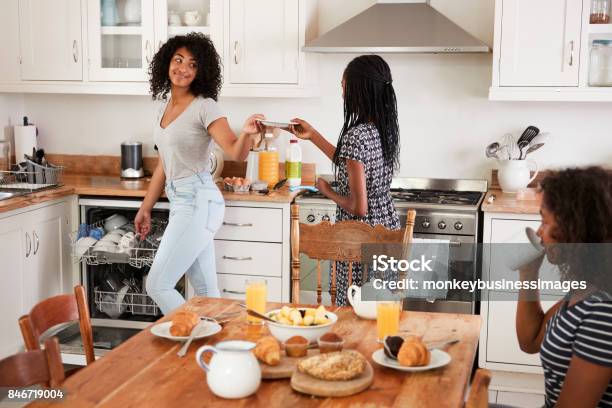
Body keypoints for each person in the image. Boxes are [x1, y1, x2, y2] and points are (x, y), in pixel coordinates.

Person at [135, 33, 264, 314]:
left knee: (158, 285)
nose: (183, 69)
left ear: (201, 70)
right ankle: (217, 350)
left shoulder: (205, 106)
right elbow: (163, 164)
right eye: (178, 60)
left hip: (197, 202)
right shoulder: (164, 107)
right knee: (207, 294)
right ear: (166, 63)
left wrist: (246, 134)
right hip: (183, 200)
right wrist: (146, 207)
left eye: (192, 64)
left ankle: (194, 338)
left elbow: (235, 151)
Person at [288, 55, 401, 306]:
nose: (342, 94)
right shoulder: (382, 128)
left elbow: (359, 207)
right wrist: (313, 135)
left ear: (358, 90)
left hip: (358, 237)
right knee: (380, 308)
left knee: (352, 309)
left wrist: (326, 190)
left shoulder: (355, 135)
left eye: (343, 86)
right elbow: (349, 161)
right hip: (385, 226)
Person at [515, 167, 612, 408]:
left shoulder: (602, 311)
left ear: (576, 229)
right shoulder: (587, 288)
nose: (539, 232)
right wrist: (528, 273)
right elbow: (530, 341)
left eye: (545, 221)